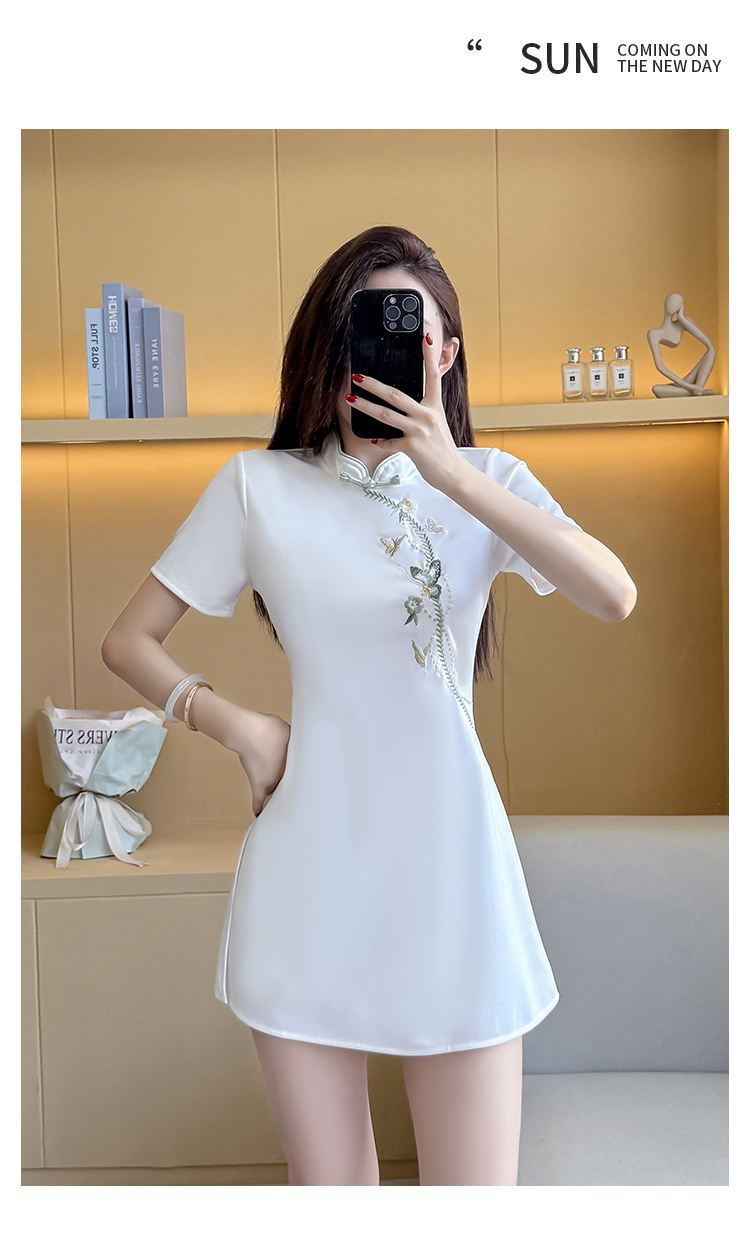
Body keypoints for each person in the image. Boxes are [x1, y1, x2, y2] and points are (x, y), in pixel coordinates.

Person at [102, 226, 637, 1186]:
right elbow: (128, 640)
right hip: (310, 875)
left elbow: (615, 594)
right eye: (365, 327)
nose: (386, 352)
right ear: (330, 341)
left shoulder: (489, 482)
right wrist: (240, 728)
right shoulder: (258, 488)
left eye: (411, 334)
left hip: (455, 879)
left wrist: (452, 473)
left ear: (444, 356)